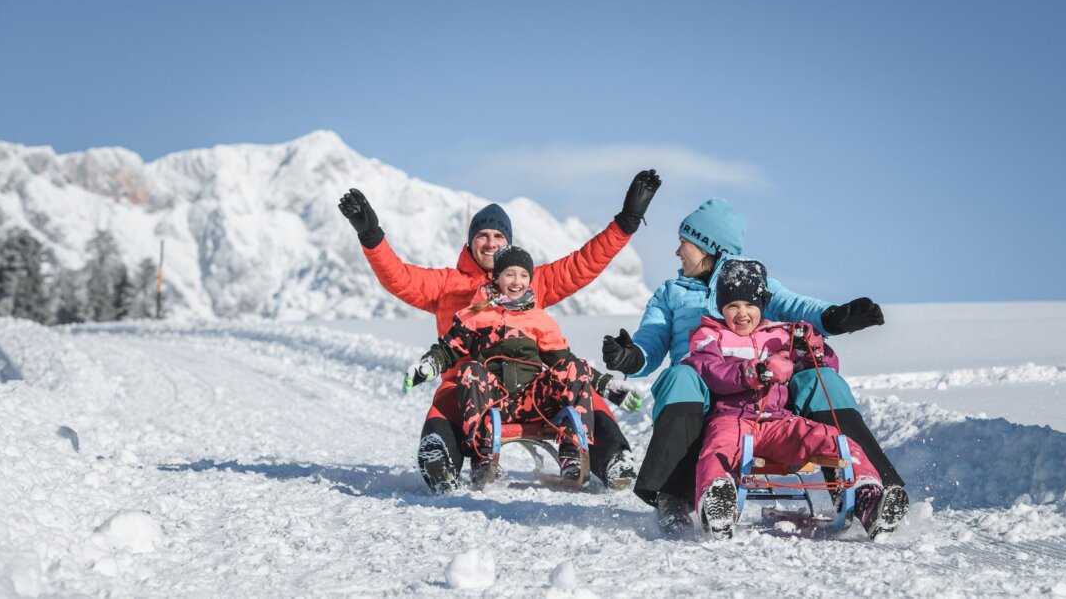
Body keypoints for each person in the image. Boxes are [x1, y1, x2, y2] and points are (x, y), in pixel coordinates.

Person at [339, 169, 661, 492]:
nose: (490, 242)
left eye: (498, 237)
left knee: (580, 388)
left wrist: (627, 222)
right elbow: (400, 277)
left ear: (509, 244)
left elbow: (582, 264)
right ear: (470, 242)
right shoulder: (447, 286)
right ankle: (439, 459)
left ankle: (613, 458)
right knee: (447, 396)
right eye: (483, 236)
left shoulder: (527, 283)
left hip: (530, 387)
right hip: (472, 389)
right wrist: (371, 236)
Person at [601, 198, 907, 535]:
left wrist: (834, 318)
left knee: (824, 382)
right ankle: (672, 495)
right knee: (681, 376)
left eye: (683, 243)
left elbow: (798, 307)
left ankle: (869, 491)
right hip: (705, 390)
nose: (677, 252)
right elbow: (652, 339)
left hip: (764, 395)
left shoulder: (753, 282)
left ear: (708, 246)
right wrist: (632, 356)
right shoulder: (671, 292)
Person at [684, 258, 886, 539]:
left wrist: (814, 349)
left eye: (750, 305)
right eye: (733, 306)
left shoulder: (779, 335)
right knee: (717, 451)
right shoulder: (709, 336)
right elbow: (710, 371)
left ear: (762, 306)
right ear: (721, 308)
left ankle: (867, 496)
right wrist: (754, 372)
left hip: (779, 421)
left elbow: (827, 365)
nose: (742, 313)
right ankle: (717, 502)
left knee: (831, 438)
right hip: (733, 419)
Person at [404, 246, 597, 487]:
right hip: (494, 402)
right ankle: (481, 456)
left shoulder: (539, 320)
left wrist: (607, 385)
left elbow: (566, 362)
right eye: (510, 274)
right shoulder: (476, 315)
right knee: (470, 370)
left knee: (573, 367)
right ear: (496, 278)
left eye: (524, 275)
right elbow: (448, 349)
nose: (517, 281)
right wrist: (429, 365)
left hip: (533, 402)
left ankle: (571, 452)